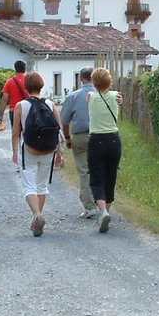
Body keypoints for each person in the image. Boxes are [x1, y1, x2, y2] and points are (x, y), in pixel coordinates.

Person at [12, 72, 64, 237]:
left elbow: (16, 132)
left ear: (26, 87)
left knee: (29, 186)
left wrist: (14, 151)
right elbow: (59, 129)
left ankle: (37, 215)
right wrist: (59, 152)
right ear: (42, 86)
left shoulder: (21, 105)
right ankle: (37, 218)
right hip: (49, 149)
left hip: (29, 149)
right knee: (42, 186)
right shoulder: (50, 104)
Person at [60, 67, 99, 218]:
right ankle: (102, 201)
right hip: (100, 135)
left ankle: (90, 206)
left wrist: (67, 137)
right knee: (99, 169)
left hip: (80, 136)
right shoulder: (102, 95)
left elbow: (64, 120)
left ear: (81, 78)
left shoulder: (73, 96)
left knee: (84, 170)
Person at [86, 67, 121, 233]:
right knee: (110, 176)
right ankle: (106, 212)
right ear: (110, 81)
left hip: (96, 140)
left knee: (96, 177)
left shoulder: (91, 97)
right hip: (114, 140)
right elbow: (117, 97)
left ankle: (103, 212)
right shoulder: (116, 96)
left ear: (93, 82)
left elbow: (91, 97)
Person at [0, 60, 28, 130]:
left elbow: (4, 99)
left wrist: (0, 116)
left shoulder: (10, 82)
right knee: (27, 133)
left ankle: (16, 141)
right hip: (27, 110)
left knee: (16, 134)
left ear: (15, 69)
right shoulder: (28, 80)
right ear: (25, 69)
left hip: (14, 111)